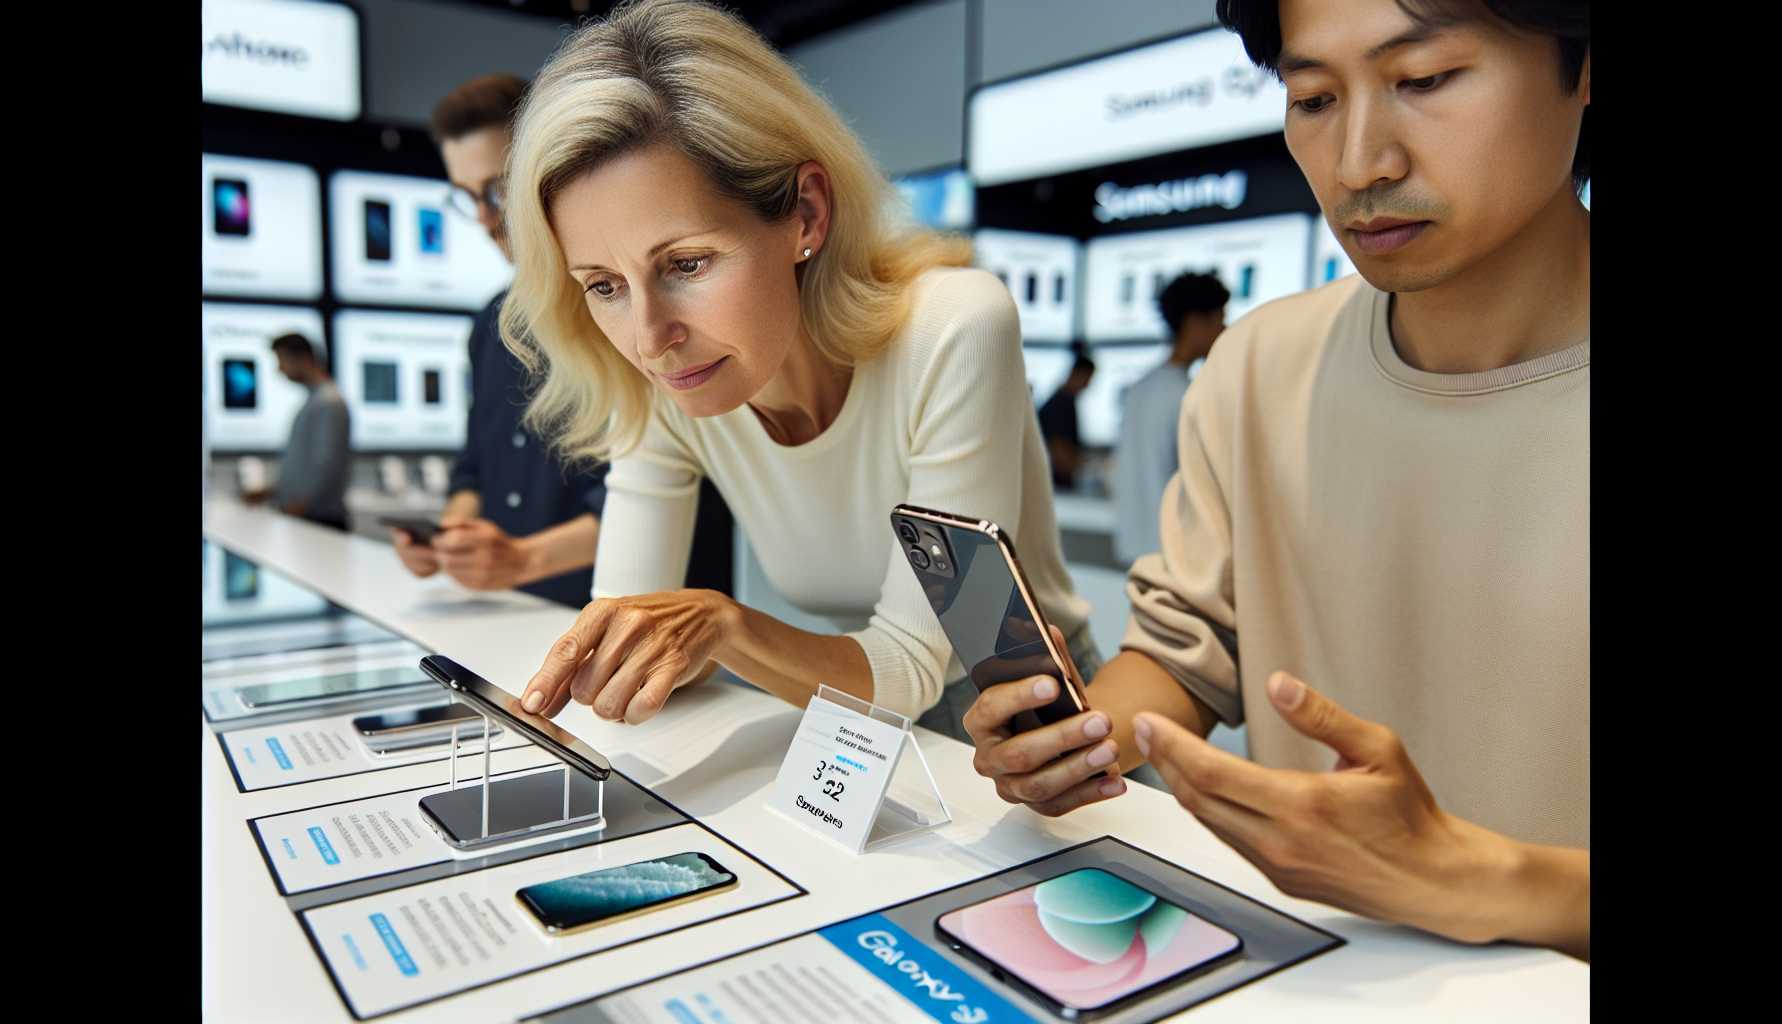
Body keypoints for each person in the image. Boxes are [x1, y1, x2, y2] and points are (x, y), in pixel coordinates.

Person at [962, 0, 1590, 961]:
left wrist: (1490, 882)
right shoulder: (1259, 367)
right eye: (1313, 98)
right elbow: (1188, 650)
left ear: (1581, 69)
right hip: (1304, 969)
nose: (1359, 163)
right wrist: (1079, 741)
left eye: (1424, 81)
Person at [501, 0, 1096, 734]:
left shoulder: (953, 328)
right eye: (604, 286)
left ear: (806, 214)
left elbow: (917, 665)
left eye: (686, 263)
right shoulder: (662, 383)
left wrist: (724, 629)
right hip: (858, 731)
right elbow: (626, 631)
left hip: (1044, 731)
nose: (650, 338)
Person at [391, 72, 735, 609]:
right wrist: (452, 538)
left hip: (650, 619)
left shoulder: (640, 312)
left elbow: (676, 489)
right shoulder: (489, 325)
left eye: (497, 190)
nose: (485, 218)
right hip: (520, 612)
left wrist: (525, 556)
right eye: (467, 198)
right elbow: (474, 469)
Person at [1110, 273, 1228, 564]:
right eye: (1218, 320)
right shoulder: (1188, 395)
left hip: (1134, 547)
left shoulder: (1139, 389)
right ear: (1194, 322)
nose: (1224, 330)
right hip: (1173, 554)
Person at [243, 333, 350, 531]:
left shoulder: (330, 403)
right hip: (305, 516)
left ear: (303, 359)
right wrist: (272, 492)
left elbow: (327, 465)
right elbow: (305, 467)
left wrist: (301, 505)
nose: (280, 369)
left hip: (319, 520)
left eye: (282, 361)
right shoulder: (315, 402)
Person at [1036, 349, 1095, 490]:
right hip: (1055, 485)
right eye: (1088, 379)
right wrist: (1087, 467)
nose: (1088, 385)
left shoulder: (1066, 401)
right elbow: (1058, 450)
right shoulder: (1059, 404)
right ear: (1078, 374)